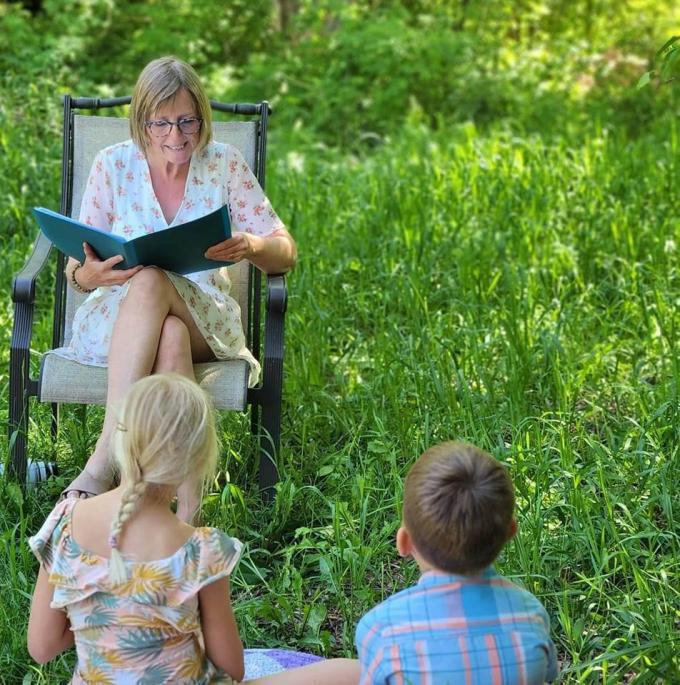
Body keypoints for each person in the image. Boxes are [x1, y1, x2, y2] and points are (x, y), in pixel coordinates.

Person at [55, 55, 297, 520]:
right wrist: (88, 275)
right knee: (169, 335)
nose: (176, 135)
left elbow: (285, 251)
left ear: (202, 116)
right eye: (161, 123)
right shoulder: (112, 165)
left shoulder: (223, 163)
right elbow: (77, 269)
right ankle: (185, 515)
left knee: (152, 281)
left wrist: (251, 244)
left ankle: (106, 456)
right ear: (141, 121)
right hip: (117, 322)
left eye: (188, 120)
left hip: (206, 316)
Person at [27, 373, 359, 685]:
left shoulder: (65, 522)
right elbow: (231, 667)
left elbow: (42, 647)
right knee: (349, 673)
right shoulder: (201, 549)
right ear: (197, 461)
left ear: (119, 437)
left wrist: (107, 620)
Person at [355, 441, 559, 684]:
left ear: (405, 541)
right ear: (510, 532)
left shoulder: (381, 629)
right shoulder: (530, 614)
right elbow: (548, 673)